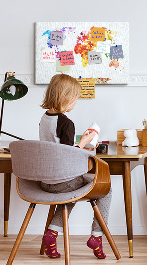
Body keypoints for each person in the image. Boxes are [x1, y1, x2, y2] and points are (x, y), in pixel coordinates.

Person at [39, 74, 112, 259]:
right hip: (62, 181)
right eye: (75, 98)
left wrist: (82, 144)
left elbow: (57, 148)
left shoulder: (44, 119)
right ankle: (97, 236)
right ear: (66, 98)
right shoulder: (66, 123)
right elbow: (68, 155)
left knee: (70, 193)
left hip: (45, 181)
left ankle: (52, 234)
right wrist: (85, 142)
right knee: (105, 188)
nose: (75, 102)